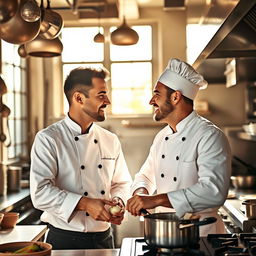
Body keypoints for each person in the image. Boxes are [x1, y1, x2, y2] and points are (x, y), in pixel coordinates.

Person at [126, 58, 231, 236]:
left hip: (201, 234)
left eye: (157, 94)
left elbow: (213, 191)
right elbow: (146, 174)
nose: (151, 101)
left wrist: (155, 200)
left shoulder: (210, 136)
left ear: (176, 97)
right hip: (166, 232)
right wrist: (141, 193)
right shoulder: (162, 137)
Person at [30, 67, 132, 249]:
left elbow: (122, 183)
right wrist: (85, 204)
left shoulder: (110, 139)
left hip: (104, 238)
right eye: (101, 95)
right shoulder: (49, 138)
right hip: (63, 240)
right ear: (78, 98)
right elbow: (40, 193)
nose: (107, 101)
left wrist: (119, 201)